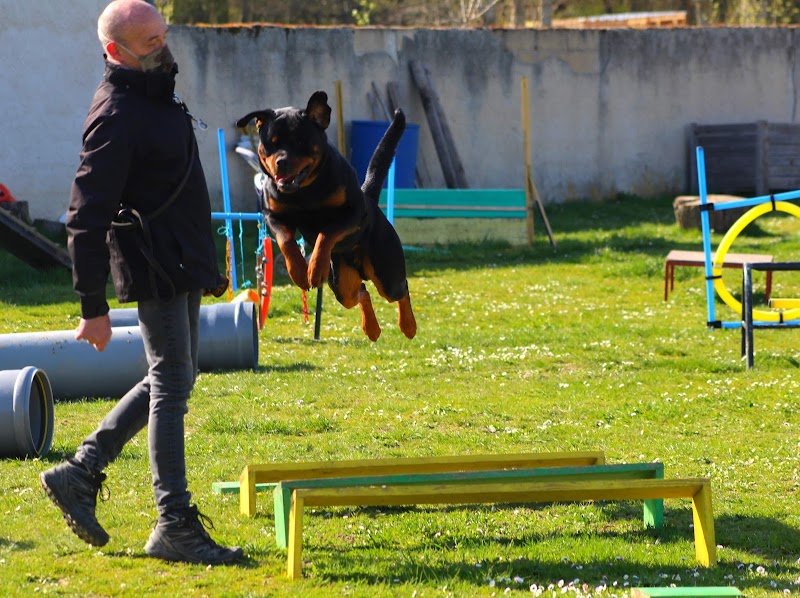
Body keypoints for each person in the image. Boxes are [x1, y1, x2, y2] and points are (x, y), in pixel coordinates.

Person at [39, 0, 241, 565]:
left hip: (182, 260)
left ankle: (80, 471)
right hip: (154, 266)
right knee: (173, 383)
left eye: (162, 33)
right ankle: (174, 522)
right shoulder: (116, 114)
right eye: (149, 39)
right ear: (115, 50)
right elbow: (84, 215)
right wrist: (91, 304)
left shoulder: (155, 92)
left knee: (173, 377)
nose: (163, 44)